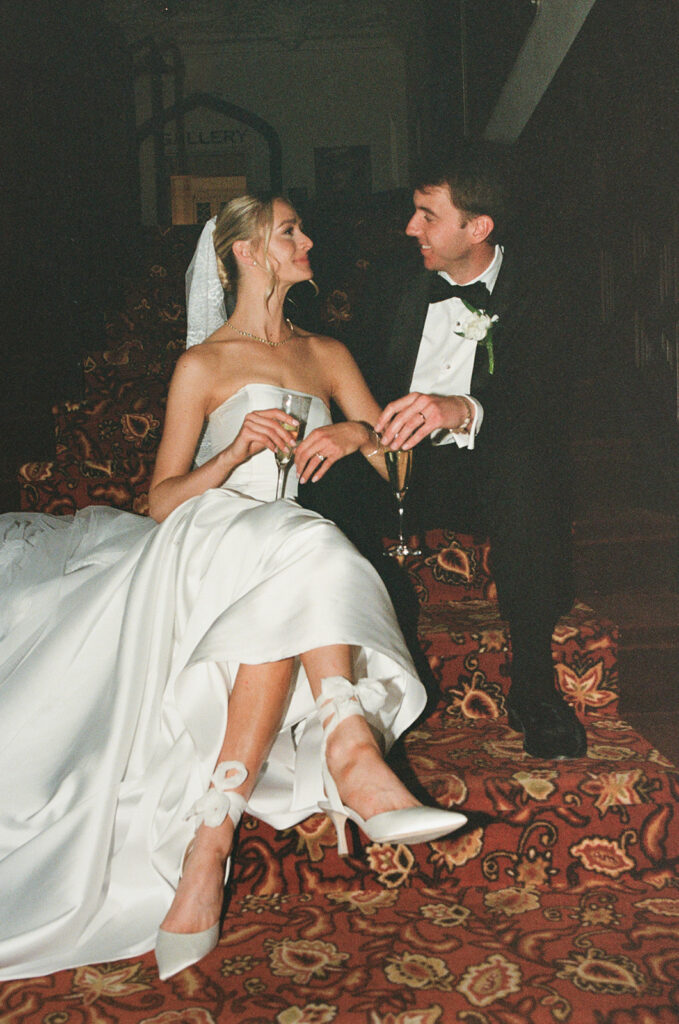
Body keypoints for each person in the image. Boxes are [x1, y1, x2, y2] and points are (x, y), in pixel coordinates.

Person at [0, 194, 466, 983]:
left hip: (280, 550)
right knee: (306, 547)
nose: (307, 239)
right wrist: (228, 458)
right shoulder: (203, 364)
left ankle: (209, 839)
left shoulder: (327, 353)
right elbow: (157, 503)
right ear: (247, 251)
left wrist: (358, 434)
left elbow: (397, 467)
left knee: (298, 551)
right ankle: (348, 747)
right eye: (290, 231)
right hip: (203, 539)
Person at [301, 142, 586, 761]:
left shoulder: (545, 290)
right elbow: (349, 375)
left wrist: (462, 408)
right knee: (319, 476)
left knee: (526, 470)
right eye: (414, 212)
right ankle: (345, 687)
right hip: (393, 458)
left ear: (477, 227)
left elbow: (544, 404)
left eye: (428, 215)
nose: (411, 227)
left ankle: (535, 685)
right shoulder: (393, 282)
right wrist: (361, 430)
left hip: (492, 469)